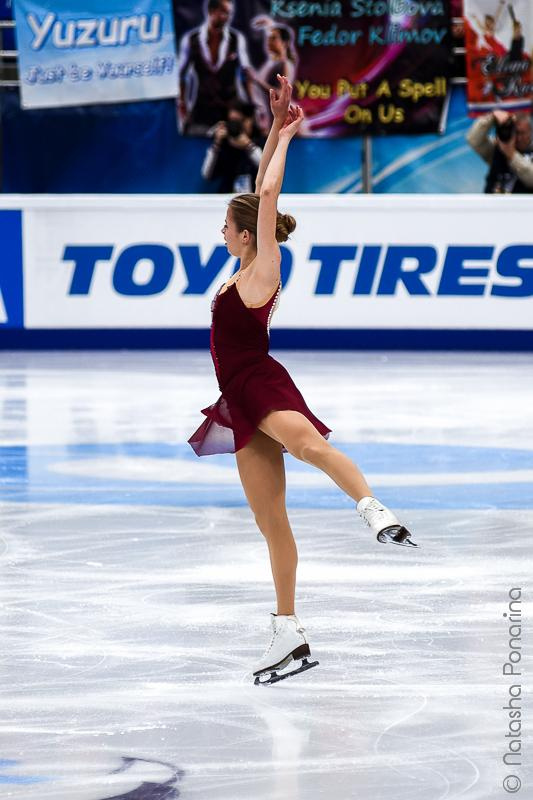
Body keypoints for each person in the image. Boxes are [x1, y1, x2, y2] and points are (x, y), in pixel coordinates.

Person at [187, 75, 418, 687]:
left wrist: (282, 139)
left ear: (244, 232)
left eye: (226, 226)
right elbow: (261, 191)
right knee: (272, 523)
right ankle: (289, 632)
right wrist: (277, 129)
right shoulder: (240, 272)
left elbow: (267, 191)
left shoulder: (263, 268)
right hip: (237, 399)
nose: (221, 233)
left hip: (261, 383)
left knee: (310, 445)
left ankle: (373, 510)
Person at [177, 0, 253, 135]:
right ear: (211, 11)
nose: (227, 17)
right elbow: (181, 74)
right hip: (202, 108)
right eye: (223, 12)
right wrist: (182, 102)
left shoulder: (236, 39)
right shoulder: (191, 39)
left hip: (230, 109)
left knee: (233, 148)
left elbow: (245, 74)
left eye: (229, 13)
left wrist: (251, 105)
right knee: (197, 145)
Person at [249, 16, 298, 135]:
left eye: (273, 39)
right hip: (270, 120)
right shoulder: (272, 63)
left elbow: (281, 94)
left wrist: (255, 79)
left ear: (285, 43)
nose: (268, 42)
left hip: (280, 122)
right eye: (268, 38)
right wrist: (269, 25)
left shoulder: (285, 64)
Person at [201, 102, 263, 193]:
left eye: (239, 121)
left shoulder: (258, 143)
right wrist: (216, 144)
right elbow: (206, 175)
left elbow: (268, 170)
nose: (235, 126)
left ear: (249, 120)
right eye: (232, 121)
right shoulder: (223, 145)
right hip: (227, 198)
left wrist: (248, 145)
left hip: (252, 199)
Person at [467, 109, 533, 192]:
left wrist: (512, 155)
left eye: (522, 133)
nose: (519, 138)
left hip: (523, 204)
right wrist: (491, 118)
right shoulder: (499, 149)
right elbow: (473, 139)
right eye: (515, 133)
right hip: (493, 203)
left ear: (530, 132)